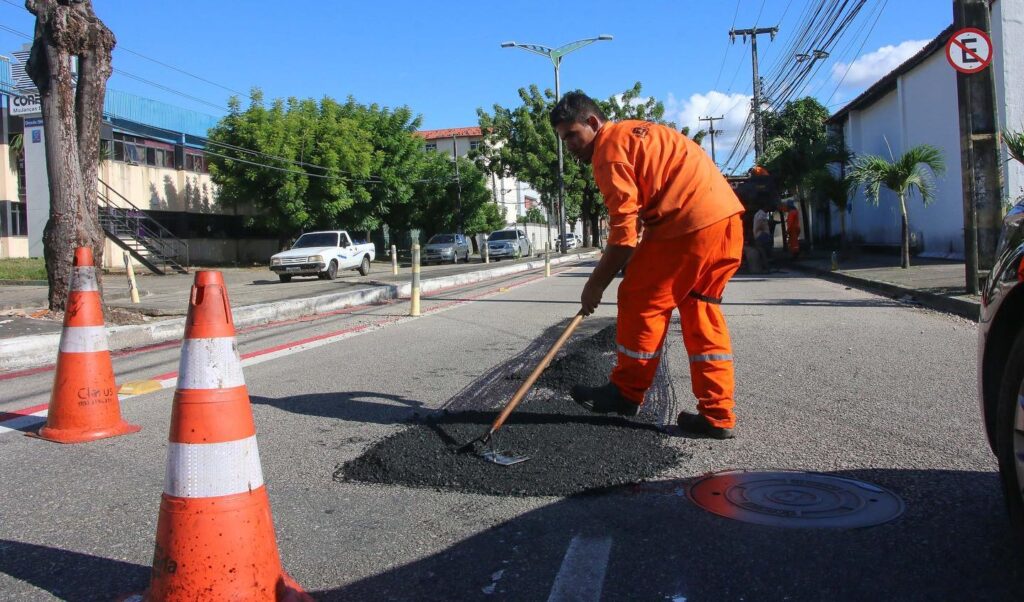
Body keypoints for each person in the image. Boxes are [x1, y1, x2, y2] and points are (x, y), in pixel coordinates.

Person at [550, 92, 745, 439]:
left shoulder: (608, 151)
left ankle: (626, 392)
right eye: (563, 140)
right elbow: (643, 207)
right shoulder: (635, 133)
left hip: (689, 222)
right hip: (726, 218)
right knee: (701, 310)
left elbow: (623, 236)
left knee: (639, 297)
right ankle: (717, 414)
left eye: (571, 136)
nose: (570, 147)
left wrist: (595, 284)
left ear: (593, 123)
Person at [752, 204, 772, 271]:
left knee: (762, 252)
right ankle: (766, 267)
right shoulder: (762, 214)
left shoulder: (757, 213)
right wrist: (761, 229)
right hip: (762, 235)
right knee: (764, 252)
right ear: (765, 207)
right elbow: (760, 222)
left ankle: (763, 267)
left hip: (759, 235)